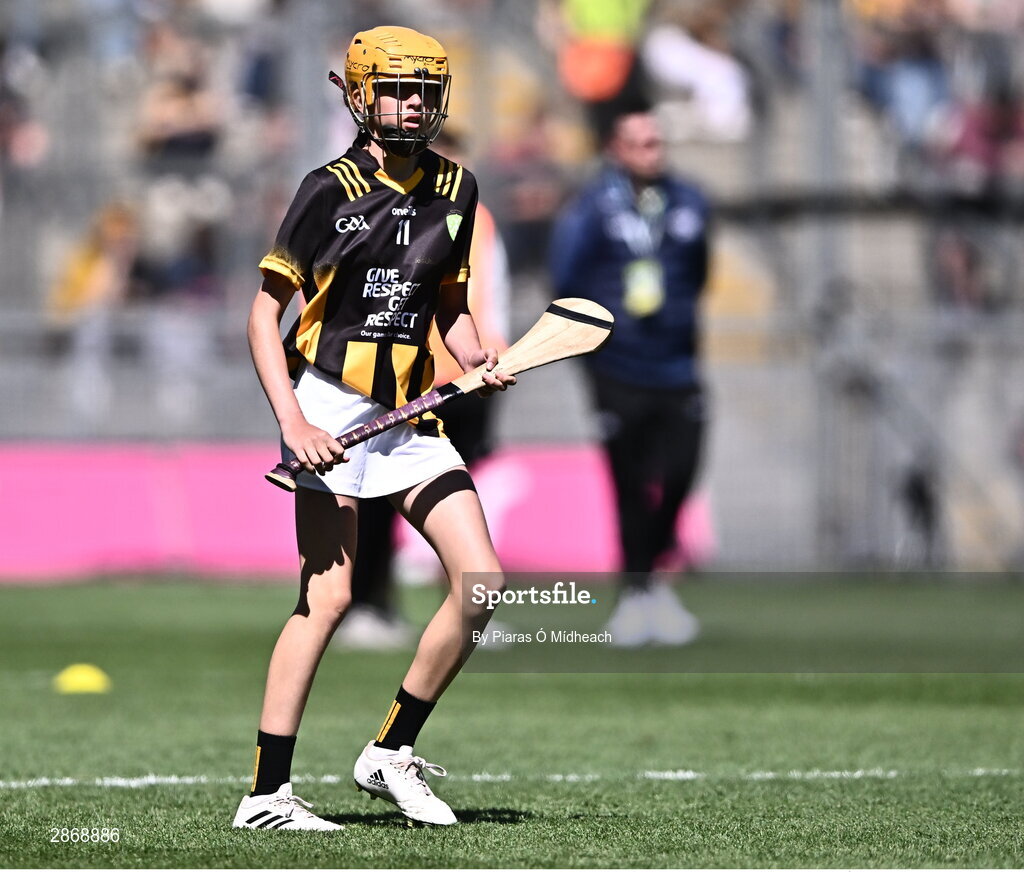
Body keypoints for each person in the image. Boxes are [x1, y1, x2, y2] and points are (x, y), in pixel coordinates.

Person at [234, 26, 514, 832]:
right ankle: (266, 798)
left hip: (409, 416)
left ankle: (390, 751)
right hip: (324, 406)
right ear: (359, 95)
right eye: (397, 89)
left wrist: (477, 356)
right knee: (327, 601)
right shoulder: (328, 188)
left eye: (426, 91)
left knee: (482, 582)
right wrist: (291, 421)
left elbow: (450, 309)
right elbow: (263, 316)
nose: (414, 105)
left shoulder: (457, 187)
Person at [335, 126, 512, 650]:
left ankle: (463, 608)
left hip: (461, 379)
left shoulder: (477, 218)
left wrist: (488, 357)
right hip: (395, 380)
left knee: (460, 499)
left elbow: (489, 293)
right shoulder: (383, 212)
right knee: (371, 497)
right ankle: (369, 605)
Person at [550, 101, 708, 648]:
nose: (651, 152)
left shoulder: (690, 202)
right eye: (640, 142)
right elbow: (566, 279)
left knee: (683, 472)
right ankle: (636, 593)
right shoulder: (593, 207)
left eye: (657, 142)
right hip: (617, 366)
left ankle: (652, 575)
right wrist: (592, 351)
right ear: (616, 149)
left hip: (678, 364)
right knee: (628, 483)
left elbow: (700, 271)